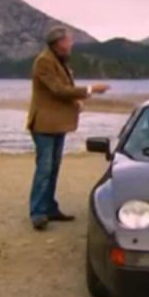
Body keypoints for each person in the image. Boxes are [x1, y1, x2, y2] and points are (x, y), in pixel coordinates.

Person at [26, 26, 109, 231]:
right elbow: (58, 90)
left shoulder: (60, 62)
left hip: (57, 124)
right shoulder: (44, 61)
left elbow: (63, 91)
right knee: (44, 168)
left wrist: (76, 103)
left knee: (53, 168)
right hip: (45, 124)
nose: (71, 44)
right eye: (68, 41)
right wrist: (91, 90)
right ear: (58, 43)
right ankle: (37, 212)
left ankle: (49, 208)